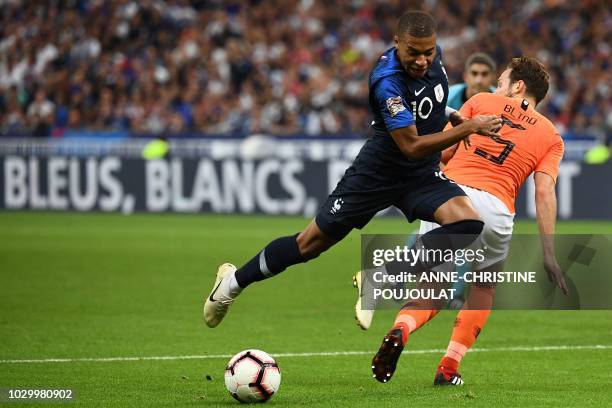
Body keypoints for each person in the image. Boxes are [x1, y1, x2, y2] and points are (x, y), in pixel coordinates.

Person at [203, 10, 502, 329]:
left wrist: (451, 113)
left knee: (469, 223)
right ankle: (232, 283)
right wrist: (469, 126)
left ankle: (382, 278)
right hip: (378, 173)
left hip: (420, 175)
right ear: (397, 43)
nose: (421, 60)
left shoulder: (431, 56)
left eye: (428, 52)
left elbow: (428, 99)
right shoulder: (387, 81)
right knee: (309, 245)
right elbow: (411, 145)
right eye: (412, 53)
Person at [370, 56, 569, 386]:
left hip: (449, 198)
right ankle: (448, 368)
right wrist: (548, 251)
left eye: (502, 82)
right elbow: (544, 193)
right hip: (495, 209)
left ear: (518, 85)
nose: (498, 88)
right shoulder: (551, 136)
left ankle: (401, 327)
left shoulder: (480, 102)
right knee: (483, 287)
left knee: (432, 287)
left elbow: (442, 152)